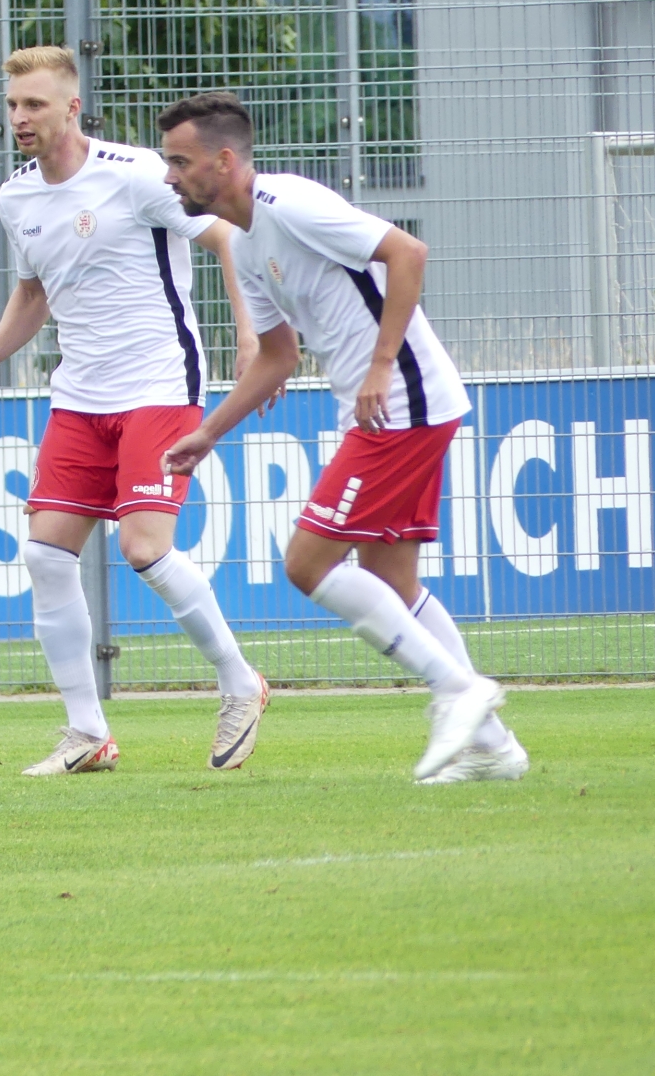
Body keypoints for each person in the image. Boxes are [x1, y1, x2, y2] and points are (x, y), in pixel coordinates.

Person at [157, 91, 527, 784]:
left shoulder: (290, 203)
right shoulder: (243, 243)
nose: (170, 176)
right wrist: (207, 433)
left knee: (307, 564)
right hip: (382, 409)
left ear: (224, 160)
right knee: (393, 581)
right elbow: (277, 356)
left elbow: (407, 252)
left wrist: (381, 366)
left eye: (180, 162)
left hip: (402, 401)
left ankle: (458, 689)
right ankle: (494, 747)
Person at [0, 47, 270, 778]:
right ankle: (87, 732)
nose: (20, 117)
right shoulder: (16, 196)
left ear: (71, 108)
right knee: (44, 553)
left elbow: (226, 232)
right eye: (13, 104)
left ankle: (239, 682)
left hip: (157, 383)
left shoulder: (136, 174)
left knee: (143, 548)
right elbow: (35, 292)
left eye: (34, 104)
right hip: (80, 394)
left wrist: (252, 334)